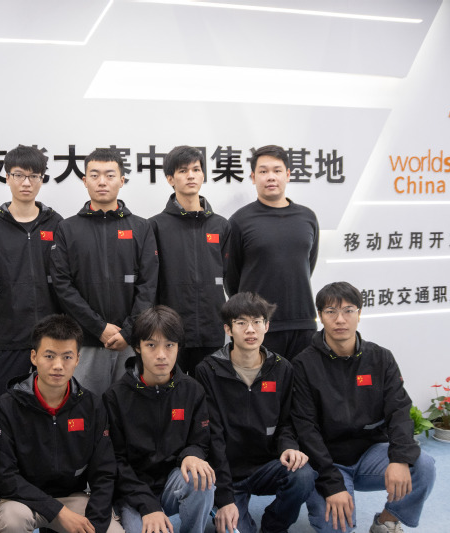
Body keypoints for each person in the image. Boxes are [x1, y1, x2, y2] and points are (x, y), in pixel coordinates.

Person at [291, 282, 436, 533]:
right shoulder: (303, 365)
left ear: (359, 314)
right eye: (331, 312)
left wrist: (400, 458)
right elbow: (306, 430)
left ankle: (386, 521)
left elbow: (399, 411)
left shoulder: (381, 358)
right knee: (337, 526)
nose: (340, 319)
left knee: (422, 466)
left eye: (348, 310)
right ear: (320, 316)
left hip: (370, 454)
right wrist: (332, 483)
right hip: (326, 461)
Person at [195, 292, 315, 533]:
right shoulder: (208, 370)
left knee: (303, 474)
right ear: (228, 329)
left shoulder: (282, 368)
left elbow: (286, 422)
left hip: (266, 466)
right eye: (241, 323)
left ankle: (274, 526)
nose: (250, 330)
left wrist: (288, 447)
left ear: (266, 326)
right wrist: (224, 498)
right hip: (227, 474)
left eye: (257, 322)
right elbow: (213, 437)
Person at [0, 314, 123, 533]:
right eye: (49, 356)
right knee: (11, 521)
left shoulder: (92, 405)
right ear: (34, 357)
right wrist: (58, 512)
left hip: (73, 498)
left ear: (78, 359)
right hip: (24, 501)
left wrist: (96, 524)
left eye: (67, 357)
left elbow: (104, 472)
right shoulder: (6, 406)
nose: (58, 366)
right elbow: (5, 476)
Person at [51, 148, 158, 395]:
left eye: (110, 175)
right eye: (95, 175)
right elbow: (63, 286)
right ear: (84, 180)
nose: (102, 182)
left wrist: (128, 331)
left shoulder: (141, 227)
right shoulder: (67, 228)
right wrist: (99, 328)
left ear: (122, 180)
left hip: (130, 342)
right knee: (85, 406)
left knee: (130, 407)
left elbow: (148, 285)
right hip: (85, 342)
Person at [104, 306, 215, 533]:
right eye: (151, 345)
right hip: (132, 490)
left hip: (173, 481)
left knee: (202, 479)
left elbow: (200, 441)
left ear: (178, 347)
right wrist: (149, 506)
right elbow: (116, 461)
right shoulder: (115, 396)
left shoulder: (192, 390)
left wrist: (192, 454)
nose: (162, 355)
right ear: (137, 347)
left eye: (169, 345)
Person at [0, 145, 64, 397]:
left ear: (42, 179)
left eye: (34, 176)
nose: (26, 182)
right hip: (9, 338)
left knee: (52, 402)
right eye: (19, 175)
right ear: (7, 177)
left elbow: (64, 280)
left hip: (51, 338)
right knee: (9, 405)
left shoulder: (56, 223)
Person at [226, 145, 319, 360]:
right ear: (253, 177)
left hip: (302, 323)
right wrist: (250, 315)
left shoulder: (307, 218)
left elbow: (308, 265)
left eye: (277, 171)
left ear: (288, 175)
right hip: (257, 326)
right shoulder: (239, 221)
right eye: (263, 171)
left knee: (303, 381)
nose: (271, 177)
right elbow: (232, 279)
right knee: (262, 382)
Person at [150, 145, 230, 372]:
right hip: (169, 331)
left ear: (203, 175)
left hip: (212, 329)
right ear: (170, 179)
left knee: (210, 388)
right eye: (183, 171)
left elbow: (230, 275)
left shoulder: (221, 225)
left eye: (196, 169)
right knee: (171, 389)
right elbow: (150, 282)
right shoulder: (155, 226)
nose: (191, 176)